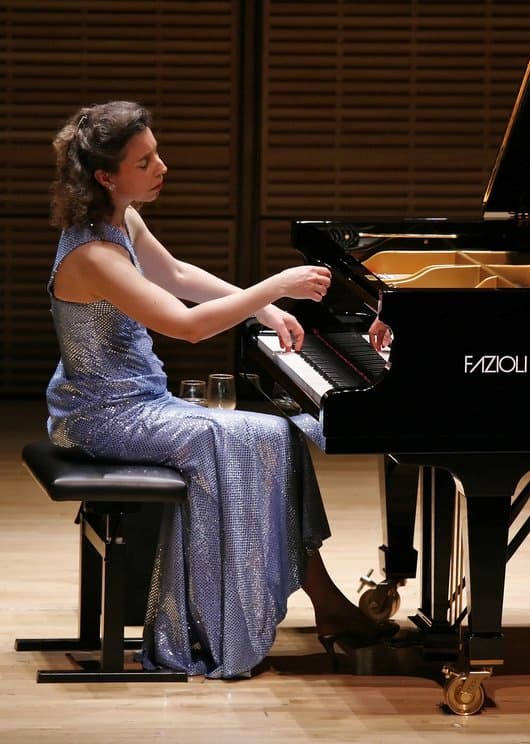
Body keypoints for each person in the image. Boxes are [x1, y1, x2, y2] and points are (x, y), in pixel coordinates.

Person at [45, 100, 385, 679]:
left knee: (276, 437)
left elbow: (175, 274)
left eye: (157, 153)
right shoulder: (92, 254)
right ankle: (228, 622)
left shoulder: (119, 220)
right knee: (264, 436)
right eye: (145, 160)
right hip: (103, 415)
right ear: (106, 176)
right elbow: (187, 324)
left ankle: (326, 604)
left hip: (138, 402)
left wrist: (269, 310)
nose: (162, 167)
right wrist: (276, 284)